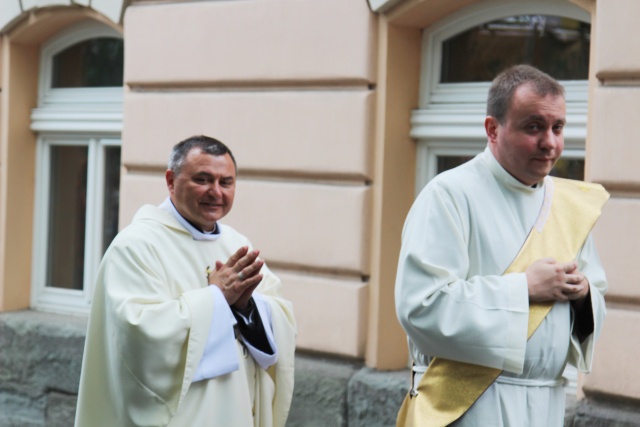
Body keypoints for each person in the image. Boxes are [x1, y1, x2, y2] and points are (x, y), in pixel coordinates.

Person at [395, 65, 608, 426]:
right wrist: (523, 288)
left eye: (558, 127)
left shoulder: (569, 206)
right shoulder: (449, 195)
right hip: (469, 405)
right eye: (534, 127)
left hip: (546, 402)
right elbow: (420, 306)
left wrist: (584, 294)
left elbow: (594, 299)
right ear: (493, 129)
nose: (550, 142)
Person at [75, 135, 296, 427]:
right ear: (171, 180)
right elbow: (138, 335)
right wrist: (217, 298)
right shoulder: (136, 246)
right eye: (203, 179)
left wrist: (246, 308)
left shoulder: (236, 243)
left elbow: (278, 316)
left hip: (235, 407)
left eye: (225, 182)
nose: (215, 192)